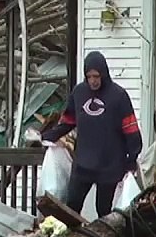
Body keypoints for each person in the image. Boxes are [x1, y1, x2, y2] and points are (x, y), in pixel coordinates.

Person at [41, 51, 143, 216]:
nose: (93, 80)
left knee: (103, 211)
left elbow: (131, 130)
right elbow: (68, 121)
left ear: (104, 74)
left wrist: (131, 159)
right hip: (83, 163)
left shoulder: (118, 96)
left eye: (96, 76)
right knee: (71, 207)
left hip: (109, 165)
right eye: (89, 76)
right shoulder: (79, 93)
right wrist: (50, 135)